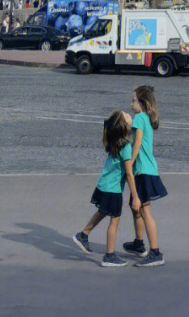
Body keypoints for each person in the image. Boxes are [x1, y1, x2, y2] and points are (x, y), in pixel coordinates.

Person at [73, 110, 141, 267]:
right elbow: (129, 174)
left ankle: (83, 234)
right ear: (123, 125)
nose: (128, 115)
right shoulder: (125, 146)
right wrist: (135, 196)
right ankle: (109, 256)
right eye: (126, 115)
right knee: (114, 220)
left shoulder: (114, 141)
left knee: (102, 211)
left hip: (103, 185)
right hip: (113, 189)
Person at [122, 85, 166, 267]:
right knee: (135, 207)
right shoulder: (146, 118)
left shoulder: (139, 118)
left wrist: (129, 165)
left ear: (142, 102)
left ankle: (155, 252)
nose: (131, 103)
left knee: (144, 210)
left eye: (133, 100)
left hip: (143, 171)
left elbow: (137, 143)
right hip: (148, 169)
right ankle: (139, 243)